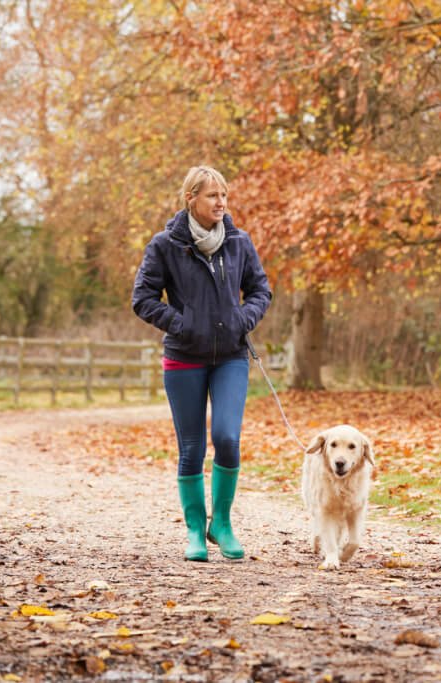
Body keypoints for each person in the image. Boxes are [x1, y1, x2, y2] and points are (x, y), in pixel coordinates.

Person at [132, 166, 272, 561]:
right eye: (212, 196)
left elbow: (261, 289)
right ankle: (195, 530)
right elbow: (142, 299)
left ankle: (221, 523)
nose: (221, 203)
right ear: (191, 198)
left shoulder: (239, 243)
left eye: (224, 196)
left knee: (227, 438)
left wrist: (244, 319)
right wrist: (183, 325)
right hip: (183, 359)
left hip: (230, 356)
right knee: (191, 448)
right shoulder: (164, 246)